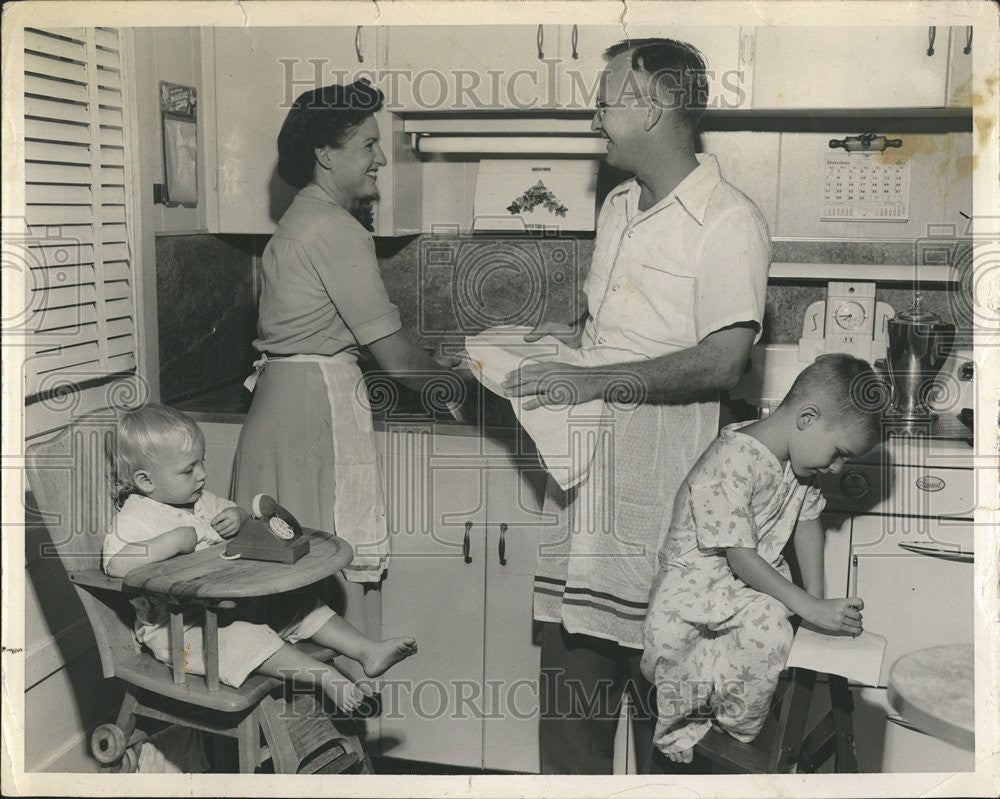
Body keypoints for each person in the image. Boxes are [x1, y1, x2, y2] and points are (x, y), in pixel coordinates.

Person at [499, 39, 771, 773]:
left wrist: (596, 379)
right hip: (589, 493)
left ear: (653, 105)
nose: (596, 112)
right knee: (571, 719)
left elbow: (724, 359)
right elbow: (622, 332)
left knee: (669, 733)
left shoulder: (728, 220)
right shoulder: (619, 205)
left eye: (608, 95)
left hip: (667, 498)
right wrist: (575, 340)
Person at [232, 81, 461, 636]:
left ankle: (301, 715)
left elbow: (345, 329)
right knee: (325, 581)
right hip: (315, 413)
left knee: (281, 590)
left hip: (281, 410)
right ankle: (333, 708)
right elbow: (398, 362)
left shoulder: (298, 221)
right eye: (367, 145)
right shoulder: (336, 230)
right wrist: (466, 388)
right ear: (326, 155)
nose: (381, 157)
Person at [642, 354, 882, 763]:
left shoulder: (801, 467)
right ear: (807, 418)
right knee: (677, 662)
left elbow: (807, 522)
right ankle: (684, 730)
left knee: (771, 634)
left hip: (744, 588)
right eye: (839, 452)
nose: (837, 467)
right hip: (694, 586)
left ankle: (736, 732)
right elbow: (739, 556)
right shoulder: (732, 459)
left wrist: (816, 606)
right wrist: (808, 606)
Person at [103, 403, 418, 711]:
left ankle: (366, 651)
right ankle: (327, 678)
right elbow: (116, 563)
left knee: (300, 602)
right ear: (146, 481)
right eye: (189, 470)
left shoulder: (200, 501)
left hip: (230, 607)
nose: (202, 475)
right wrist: (173, 540)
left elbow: (237, 517)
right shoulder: (138, 516)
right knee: (243, 636)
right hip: (181, 630)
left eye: (202, 462)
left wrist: (238, 516)